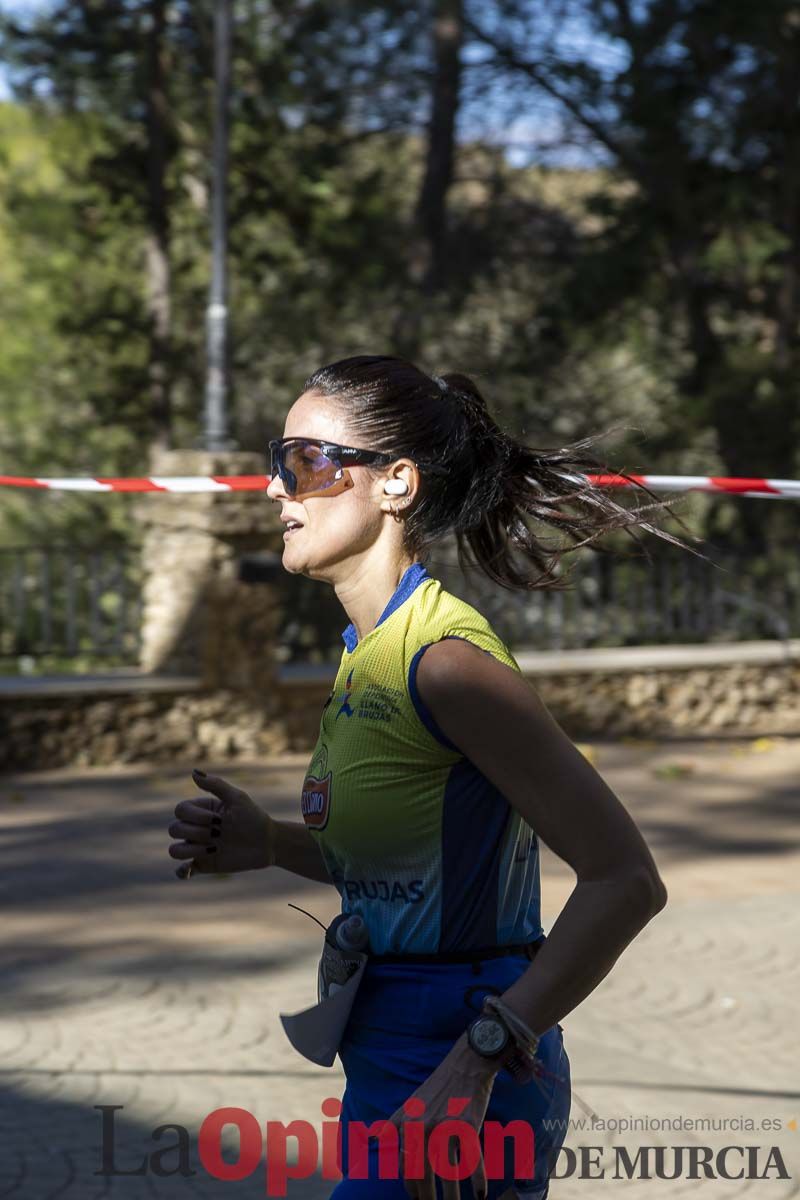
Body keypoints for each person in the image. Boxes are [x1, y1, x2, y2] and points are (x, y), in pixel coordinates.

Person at [167, 355, 708, 1199]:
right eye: (279, 462)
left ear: (395, 483)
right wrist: (271, 842)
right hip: (390, 1048)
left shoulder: (446, 661)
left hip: (459, 1062)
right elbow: (421, 865)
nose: (276, 489)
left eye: (303, 462)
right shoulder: (368, 652)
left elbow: (626, 880)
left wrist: (479, 1059)